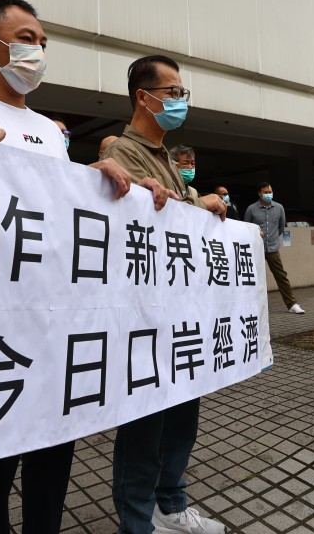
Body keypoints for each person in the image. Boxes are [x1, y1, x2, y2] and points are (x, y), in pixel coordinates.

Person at [0, 0, 173, 534]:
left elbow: (62, 211)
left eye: (44, 43)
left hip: (53, 333)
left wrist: (101, 177)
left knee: (51, 473)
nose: (38, 51)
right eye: (27, 38)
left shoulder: (49, 131)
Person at [103, 54, 226, 534]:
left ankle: (170, 505)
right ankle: (137, 522)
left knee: (182, 414)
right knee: (145, 423)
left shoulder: (169, 158)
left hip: (181, 311)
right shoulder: (121, 151)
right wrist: (199, 202)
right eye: (172, 92)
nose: (181, 101)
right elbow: (149, 211)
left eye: (182, 93)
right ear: (144, 96)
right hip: (144, 313)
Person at [245, 183, 304, 315]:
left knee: (281, 276)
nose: (268, 194)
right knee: (252, 276)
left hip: (273, 248)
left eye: (270, 191)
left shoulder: (279, 208)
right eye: (265, 192)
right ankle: (249, 304)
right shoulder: (251, 209)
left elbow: (281, 227)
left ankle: (292, 304)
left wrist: (272, 238)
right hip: (256, 248)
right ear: (259, 193)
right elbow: (246, 227)